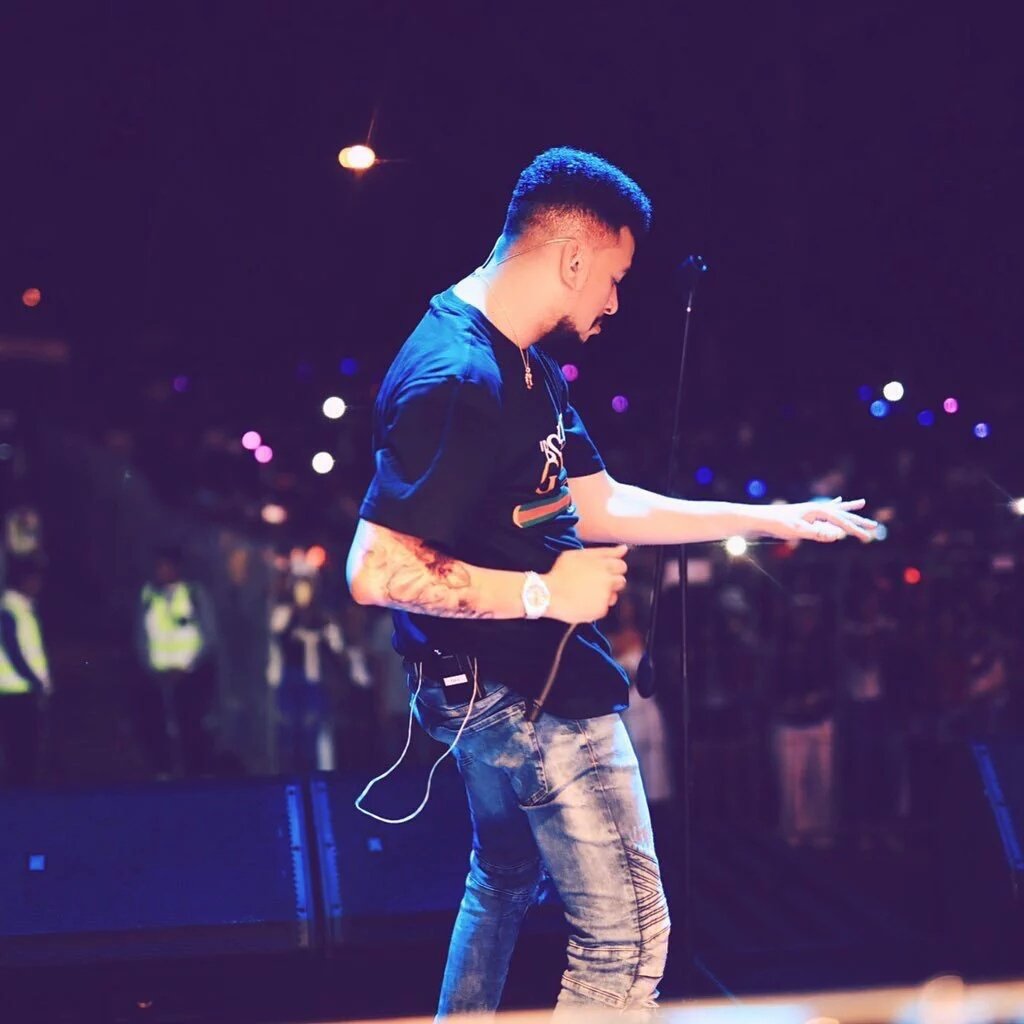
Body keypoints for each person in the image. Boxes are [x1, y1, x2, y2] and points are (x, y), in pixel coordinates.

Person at [345, 146, 877, 1019]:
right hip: (526, 694)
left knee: (502, 879)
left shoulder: (523, 363)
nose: (616, 302)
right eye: (615, 278)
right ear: (572, 258)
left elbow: (605, 503)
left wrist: (773, 517)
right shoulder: (458, 376)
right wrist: (547, 594)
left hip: (485, 687)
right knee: (627, 941)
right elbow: (376, 569)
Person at [134, 545, 219, 777]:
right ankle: (165, 772)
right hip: (158, 678)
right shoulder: (148, 596)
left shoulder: (194, 594)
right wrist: (151, 668)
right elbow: (141, 637)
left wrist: (187, 668)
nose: (161, 571)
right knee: (159, 728)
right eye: (159, 566)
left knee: (191, 726)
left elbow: (208, 636)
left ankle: (194, 774)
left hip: (189, 677)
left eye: (166, 566)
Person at [0, 557, 51, 785]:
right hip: (15, 690)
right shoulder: (10, 609)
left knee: (26, 747)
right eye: (34, 579)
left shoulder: (24, 608)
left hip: (23, 688)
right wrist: (34, 680)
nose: (38, 585)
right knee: (20, 747)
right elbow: (14, 650)